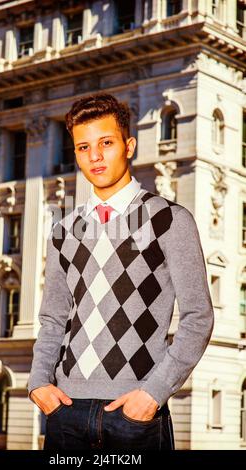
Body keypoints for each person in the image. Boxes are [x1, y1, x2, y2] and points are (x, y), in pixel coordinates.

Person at [27, 93, 214, 451]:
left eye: (105, 143)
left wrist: (152, 394)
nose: (94, 156)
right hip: (66, 411)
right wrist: (38, 382)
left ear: (128, 146)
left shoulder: (169, 220)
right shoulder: (63, 229)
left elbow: (198, 317)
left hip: (135, 413)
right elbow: (53, 318)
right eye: (83, 147)